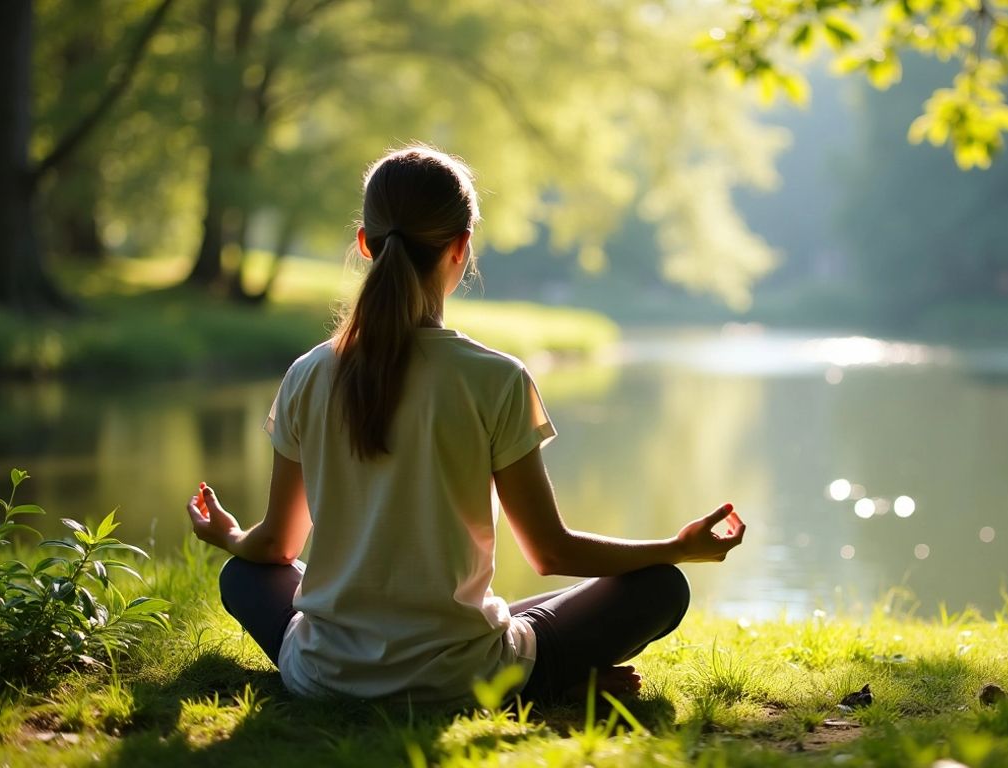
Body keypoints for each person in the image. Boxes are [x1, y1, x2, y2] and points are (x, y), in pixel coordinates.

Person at [184, 145, 746, 707]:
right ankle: (547, 680)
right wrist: (676, 547)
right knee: (659, 586)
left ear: (365, 243)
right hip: (464, 679)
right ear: (461, 246)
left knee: (243, 575)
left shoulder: (307, 374)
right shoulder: (496, 378)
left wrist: (228, 536)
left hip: (323, 674)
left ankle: (518, 665)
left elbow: (277, 547)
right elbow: (551, 553)